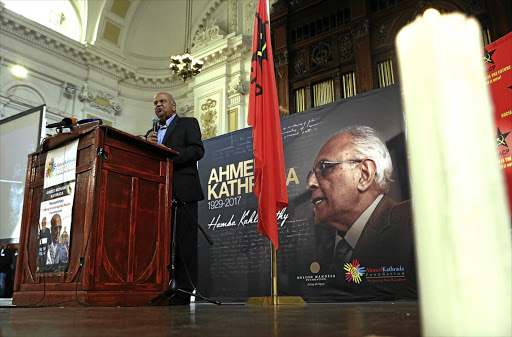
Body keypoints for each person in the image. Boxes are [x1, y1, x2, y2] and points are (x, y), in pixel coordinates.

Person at [306, 126, 416, 296]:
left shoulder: (413, 222)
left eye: (324, 167)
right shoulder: (320, 246)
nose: (311, 183)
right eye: (311, 174)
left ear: (364, 174)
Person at [146, 92, 204, 305]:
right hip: (159, 196)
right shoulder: (151, 132)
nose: (158, 105)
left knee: (184, 244)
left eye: (162, 101)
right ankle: (161, 287)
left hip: (184, 192)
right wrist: (147, 145)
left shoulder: (188, 123)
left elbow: (197, 151)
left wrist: (168, 153)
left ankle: (183, 293)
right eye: (155, 103)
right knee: (161, 244)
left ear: (173, 105)